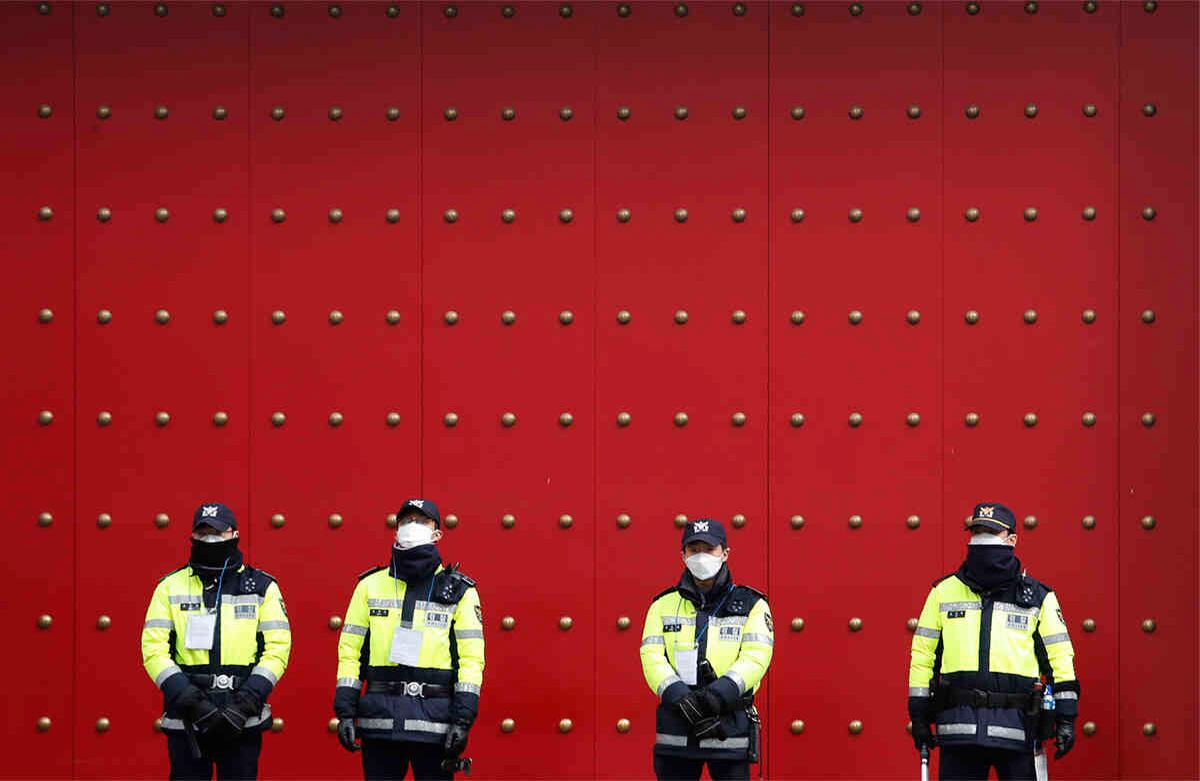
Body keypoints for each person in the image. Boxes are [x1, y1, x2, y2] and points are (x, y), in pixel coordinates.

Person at [908, 502, 1080, 780]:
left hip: (1018, 730)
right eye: (977, 532)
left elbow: (1059, 658)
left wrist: (1066, 717)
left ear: (1012, 540)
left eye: (991, 533)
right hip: (959, 730)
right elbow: (923, 656)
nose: (982, 540)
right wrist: (918, 716)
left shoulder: (1038, 597)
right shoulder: (943, 592)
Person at [333, 499, 485, 780]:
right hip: (380, 720)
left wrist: (463, 719)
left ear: (437, 533)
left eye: (422, 521)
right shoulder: (369, 585)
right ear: (396, 531)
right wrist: (345, 711)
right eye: (406, 521)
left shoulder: (461, 591)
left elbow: (471, 659)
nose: (412, 526)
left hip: (435, 724)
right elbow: (351, 651)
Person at [141, 502, 291, 780]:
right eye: (203, 533)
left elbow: (277, 650)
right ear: (192, 537)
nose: (209, 539)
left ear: (234, 535)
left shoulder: (262, 587)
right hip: (187, 719)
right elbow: (154, 650)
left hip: (242, 717)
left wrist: (245, 702)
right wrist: (191, 701)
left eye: (217, 533)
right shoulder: (169, 586)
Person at [640, 518, 774, 781]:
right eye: (694, 549)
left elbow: (756, 656)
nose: (701, 556)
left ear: (725, 553)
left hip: (728, 725)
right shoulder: (662, 605)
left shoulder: (752, 604)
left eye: (709, 549)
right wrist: (678, 694)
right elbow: (652, 656)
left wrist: (719, 694)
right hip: (677, 723)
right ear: (683, 555)